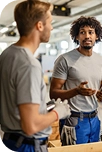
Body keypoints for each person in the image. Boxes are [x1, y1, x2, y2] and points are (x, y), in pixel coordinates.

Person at [0, 1, 71, 152]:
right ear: (39, 26)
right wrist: (59, 112)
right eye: (50, 22)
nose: (51, 27)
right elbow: (30, 125)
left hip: (10, 142)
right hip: (27, 146)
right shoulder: (29, 64)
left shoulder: (7, 54)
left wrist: (45, 108)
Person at [49, 16, 102, 145]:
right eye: (82, 32)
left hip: (95, 119)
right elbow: (53, 93)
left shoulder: (100, 60)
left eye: (91, 32)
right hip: (74, 120)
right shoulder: (65, 59)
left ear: (96, 36)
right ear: (76, 37)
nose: (87, 36)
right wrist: (76, 91)